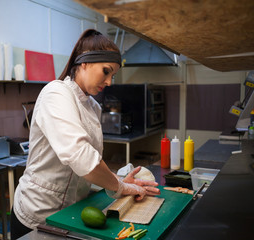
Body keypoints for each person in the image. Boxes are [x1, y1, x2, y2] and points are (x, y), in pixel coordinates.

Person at [11, 29, 160, 239]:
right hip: (37, 213)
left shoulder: (93, 107)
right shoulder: (56, 93)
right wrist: (120, 187)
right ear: (84, 63)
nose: (109, 82)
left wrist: (116, 180)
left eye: (113, 75)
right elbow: (81, 157)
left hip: (71, 213)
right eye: (106, 71)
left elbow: (89, 164)